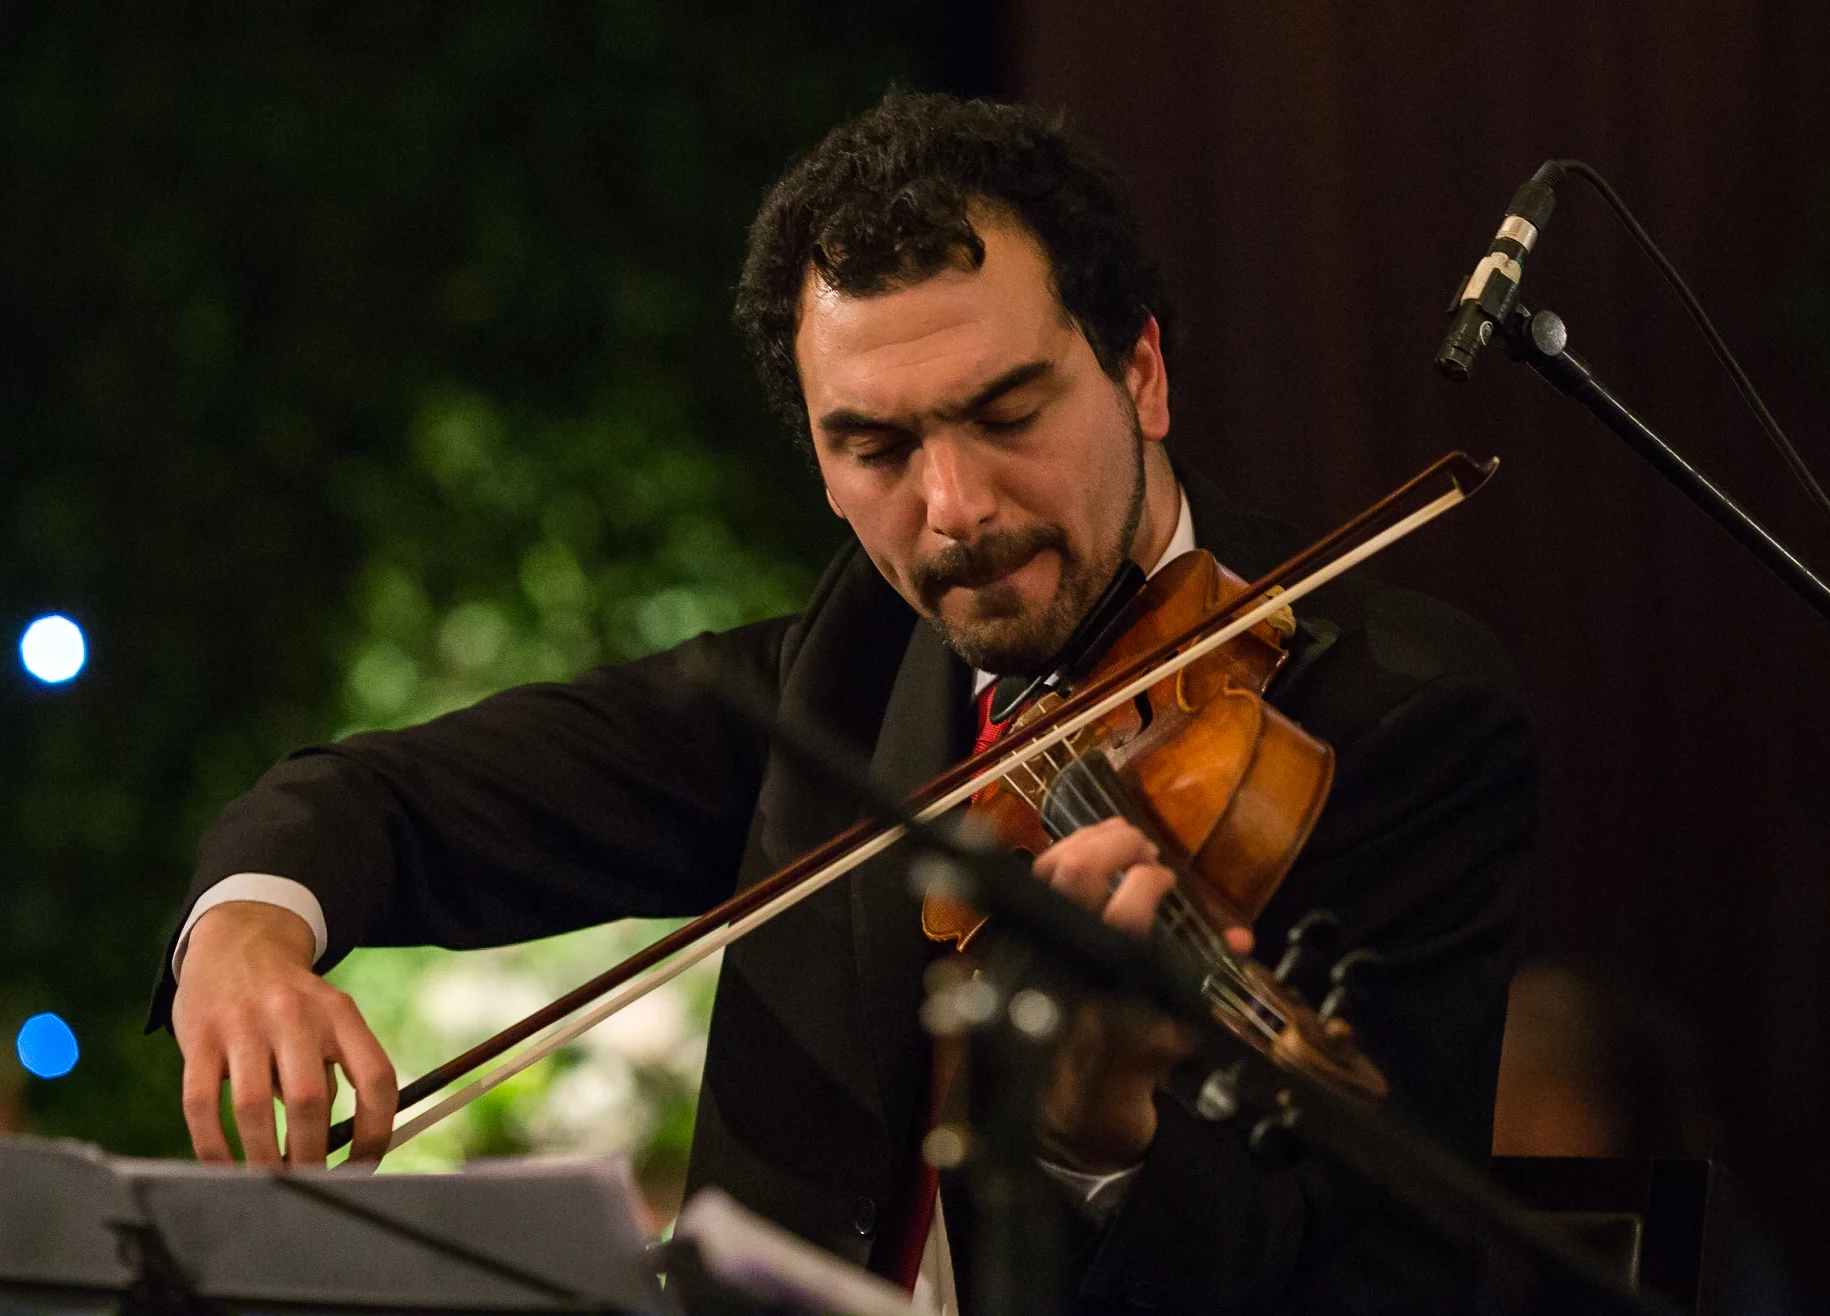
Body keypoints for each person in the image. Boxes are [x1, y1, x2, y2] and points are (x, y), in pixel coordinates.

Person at [151, 90, 1536, 1313]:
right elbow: (396, 800)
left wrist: (1097, 1141)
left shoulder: (1382, 720)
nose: (954, 512)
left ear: (1142, 373)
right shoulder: (849, 674)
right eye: (874, 446)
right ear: (818, 463)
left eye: (1006, 413)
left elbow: (1373, 1271)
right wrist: (255, 927)